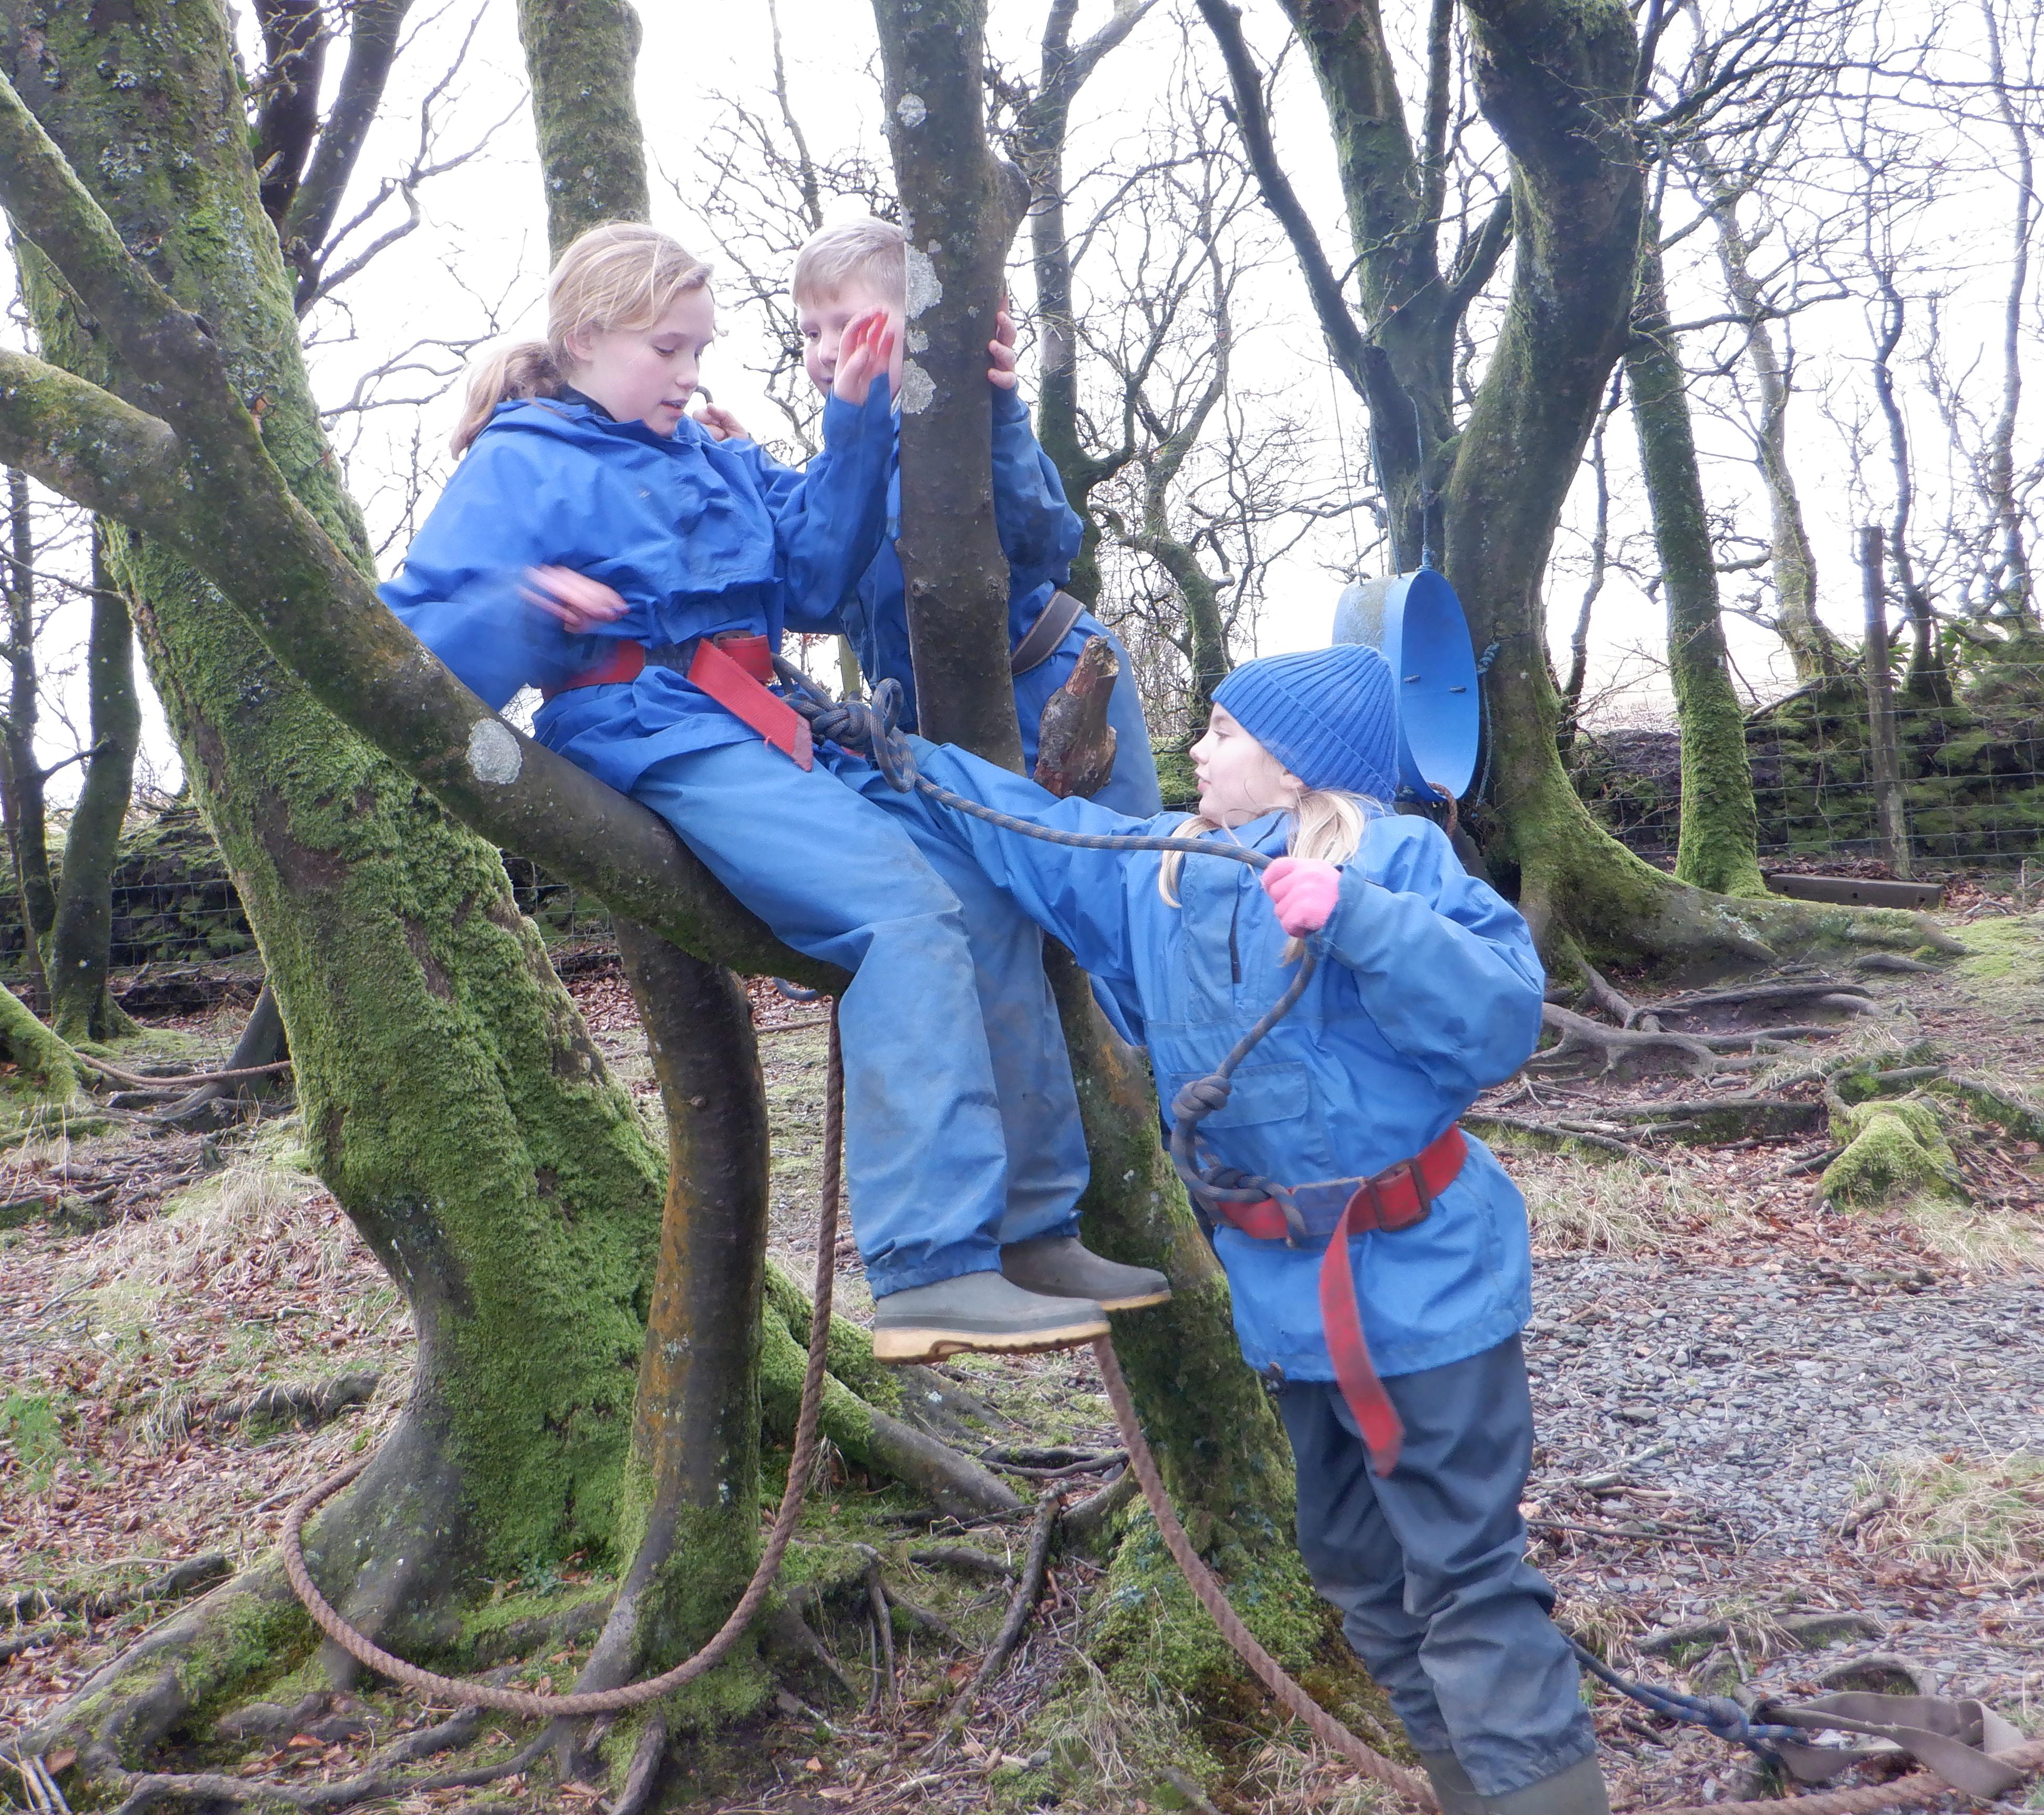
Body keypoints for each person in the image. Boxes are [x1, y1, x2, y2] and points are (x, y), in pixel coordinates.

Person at [379, 222, 1169, 1362]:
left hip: (770, 717)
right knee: (903, 914)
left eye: (699, 348)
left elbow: (812, 575)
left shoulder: (711, 455)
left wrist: (854, 420)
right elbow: (406, 651)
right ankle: (931, 1267)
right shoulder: (523, 462)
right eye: (666, 349)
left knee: (986, 897)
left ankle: (1032, 1229)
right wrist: (521, 603)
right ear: (586, 338)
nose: (690, 371)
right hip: (651, 726)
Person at [910, 644, 1605, 1815]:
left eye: (1223, 732)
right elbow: (1036, 835)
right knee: (1357, 1574)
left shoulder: (1395, 857)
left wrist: (1360, 918)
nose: (1193, 748)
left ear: (1294, 768)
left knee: (1465, 1581)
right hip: (1287, 1304)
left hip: (1427, 1288)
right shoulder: (1164, 874)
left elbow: (1496, 1020)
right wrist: (892, 755)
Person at [699, 215, 1161, 815]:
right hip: (937, 716)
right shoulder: (848, 465)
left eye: (850, 324)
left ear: (918, 329)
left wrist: (999, 414)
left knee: (1108, 853)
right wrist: (744, 463)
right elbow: (822, 568)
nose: (828, 350)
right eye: (811, 333)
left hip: (1051, 681)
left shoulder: (964, 427)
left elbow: (1046, 542)